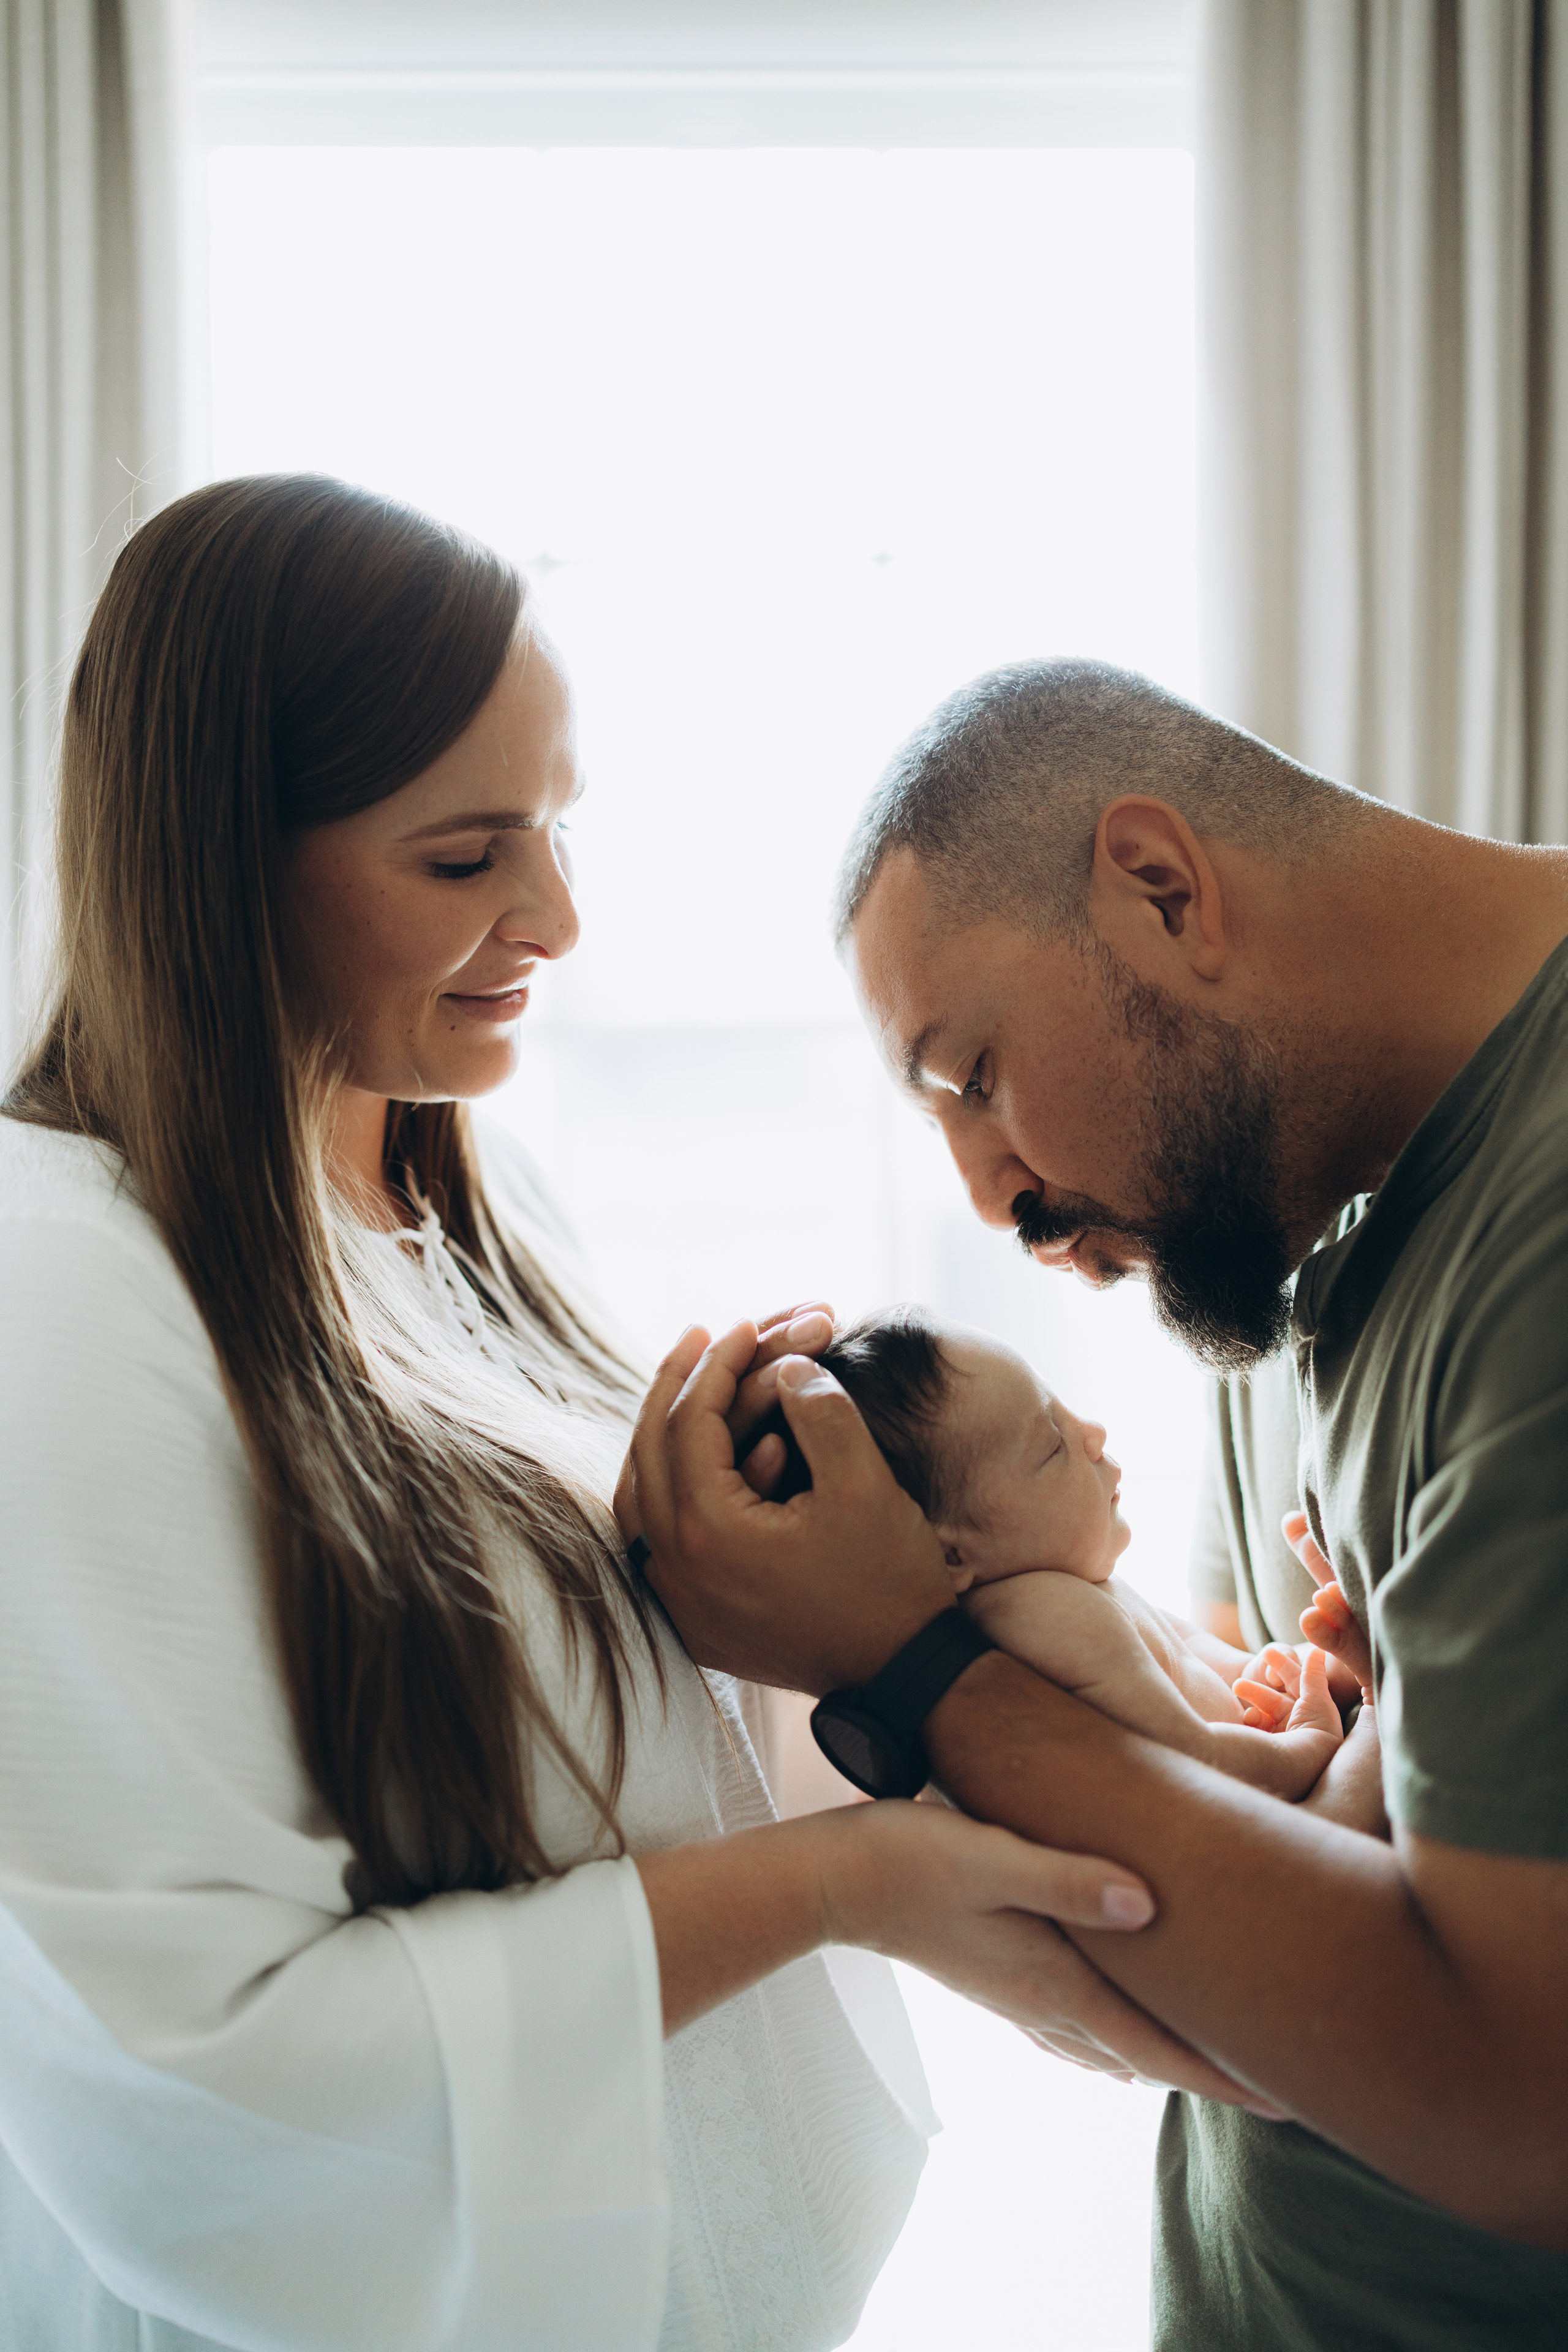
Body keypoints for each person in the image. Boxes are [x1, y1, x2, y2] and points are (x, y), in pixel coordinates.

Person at [0, 497, 1178, 2352]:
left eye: (551, 828)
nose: (555, 917)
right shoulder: (61, 1302)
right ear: (215, 860)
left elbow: (626, 1763)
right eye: (468, 853)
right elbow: (201, 2086)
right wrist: (845, 1883)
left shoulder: (475, 1199)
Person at [624, 658, 1568, 2351]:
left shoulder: (1538, 1244)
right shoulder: (1286, 1229)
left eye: (974, 1072)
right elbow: (1211, 1845)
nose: (992, 1197)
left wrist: (913, 1664)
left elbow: (1522, 2106)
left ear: (1163, 888)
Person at [751, 1306, 1349, 1796]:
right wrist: (1314, 1738)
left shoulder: (1079, 1589)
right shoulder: (1041, 1617)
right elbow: (1198, 1767)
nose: (1093, 1434)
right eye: (1051, 1447)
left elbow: (1192, 1654)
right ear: (950, 1558)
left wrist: (1297, 1669)